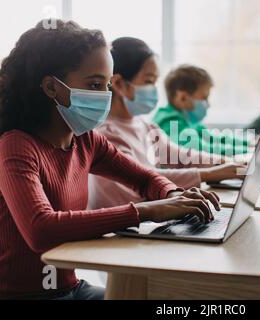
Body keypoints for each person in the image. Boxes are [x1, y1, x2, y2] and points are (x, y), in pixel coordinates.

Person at [0, 20, 219, 300]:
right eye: (94, 84)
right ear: (51, 87)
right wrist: (147, 211)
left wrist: (175, 196)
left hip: (70, 288)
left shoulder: (86, 140)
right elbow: (41, 229)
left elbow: (144, 177)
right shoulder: (16, 146)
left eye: (106, 85)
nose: (104, 96)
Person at [89, 38, 244, 209]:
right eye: (148, 81)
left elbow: (179, 155)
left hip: (149, 215)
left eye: (155, 82)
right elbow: (142, 177)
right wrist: (209, 174)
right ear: (118, 83)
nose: (154, 89)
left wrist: (222, 162)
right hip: (124, 229)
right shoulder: (106, 133)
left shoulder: (143, 125)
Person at [153, 65, 250, 156]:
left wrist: (249, 143)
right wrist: (247, 151)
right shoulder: (169, 121)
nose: (208, 104)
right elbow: (200, 150)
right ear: (183, 97)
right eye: (204, 98)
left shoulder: (189, 120)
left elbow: (212, 138)